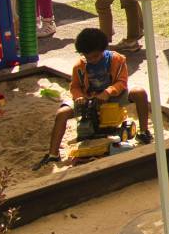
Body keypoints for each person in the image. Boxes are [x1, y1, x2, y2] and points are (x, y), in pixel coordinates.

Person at [46, 26, 153, 161]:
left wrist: (108, 92)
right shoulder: (79, 66)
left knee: (139, 92)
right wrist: (79, 96)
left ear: (104, 49)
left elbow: (122, 82)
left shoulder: (117, 60)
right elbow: (74, 87)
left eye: (95, 56)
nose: (92, 60)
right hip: (89, 99)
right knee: (62, 113)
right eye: (87, 57)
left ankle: (143, 132)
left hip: (114, 96)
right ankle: (53, 154)